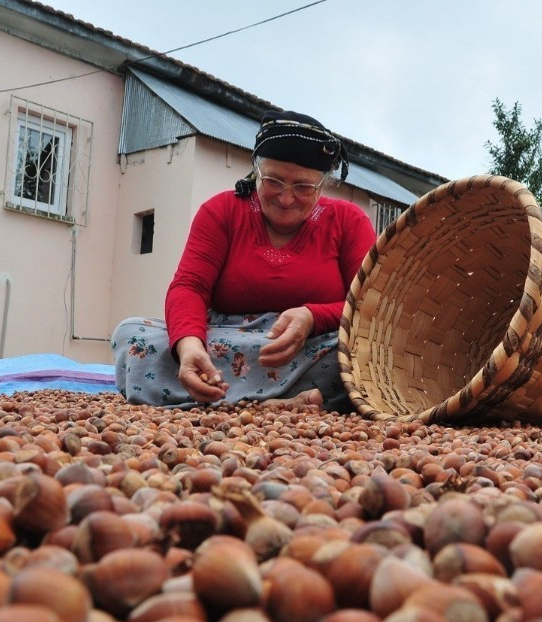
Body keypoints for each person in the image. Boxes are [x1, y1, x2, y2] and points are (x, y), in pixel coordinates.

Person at [111, 110, 377, 411]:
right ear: (257, 173)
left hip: (310, 345)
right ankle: (285, 401)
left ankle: (220, 401)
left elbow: (367, 306)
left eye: (303, 187)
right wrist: (189, 347)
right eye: (274, 181)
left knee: (358, 356)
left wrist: (313, 318)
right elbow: (189, 287)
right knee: (132, 334)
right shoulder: (221, 211)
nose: (286, 198)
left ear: (323, 184)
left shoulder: (348, 221)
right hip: (224, 339)